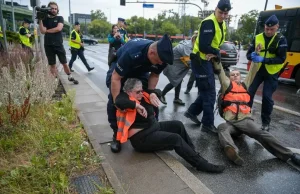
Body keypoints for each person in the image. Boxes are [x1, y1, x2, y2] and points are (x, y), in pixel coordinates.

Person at [208, 52, 300, 167]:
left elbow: (253, 71)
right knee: (222, 128)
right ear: (229, 78)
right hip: (231, 123)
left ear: (240, 77)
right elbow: (220, 72)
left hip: (245, 121)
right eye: (232, 75)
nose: (235, 76)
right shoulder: (227, 84)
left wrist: (256, 57)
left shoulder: (245, 85)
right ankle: (232, 152)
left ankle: (290, 155)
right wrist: (216, 60)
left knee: (261, 134)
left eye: (237, 74)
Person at [115, 78, 225, 173]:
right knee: (175, 139)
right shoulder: (125, 99)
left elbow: (157, 91)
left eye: (141, 91)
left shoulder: (143, 95)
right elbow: (119, 101)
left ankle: (193, 153)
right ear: (129, 92)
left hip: (153, 127)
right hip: (142, 139)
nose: (141, 94)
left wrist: (153, 93)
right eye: (137, 92)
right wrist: (136, 106)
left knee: (178, 125)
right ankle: (200, 164)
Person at [106, 34, 173, 153]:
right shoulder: (132, 52)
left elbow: (155, 75)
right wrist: (118, 102)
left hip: (140, 71)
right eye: (158, 61)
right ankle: (117, 135)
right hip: (121, 69)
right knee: (114, 99)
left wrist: (150, 93)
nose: (160, 64)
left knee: (148, 97)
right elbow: (115, 78)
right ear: (151, 53)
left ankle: (153, 127)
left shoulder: (161, 58)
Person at [184, 0, 231, 133]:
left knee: (206, 91)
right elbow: (204, 46)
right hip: (201, 61)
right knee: (210, 93)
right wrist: (216, 52)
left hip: (206, 61)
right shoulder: (209, 22)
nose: (222, 15)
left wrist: (215, 53)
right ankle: (207, 124)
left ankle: (192, 112)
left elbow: (215, 43)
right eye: (220, 12)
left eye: (225, 13)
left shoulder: (221, 24)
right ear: (215, 9)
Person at [246, 14, 287, 131]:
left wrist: (264, 59)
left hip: (271, 72)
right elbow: (248, 54)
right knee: (249, 93)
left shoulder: (281, 39)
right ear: (264, 27)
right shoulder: (258, 37)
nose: (268, 31)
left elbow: (281, 59)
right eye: (266, 29)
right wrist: (252, 56)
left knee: (267, 97)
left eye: (271, 29)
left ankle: (265, 123)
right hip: (258, 70)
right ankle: (245, 116)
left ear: (277, 27)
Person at [39, 1, 78, 84]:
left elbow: (58, 28)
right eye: (52, 8)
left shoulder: (60, 18)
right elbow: (42, 31)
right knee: (52, 64)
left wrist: (47, 31)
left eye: (55, 9)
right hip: (48, 45)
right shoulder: (45, 19)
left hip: (58, 44)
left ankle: (69, 76)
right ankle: (55, 80)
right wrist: (40, 20)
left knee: (64, 62)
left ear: (57, 10)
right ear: (48, 9)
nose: (54, 10)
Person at [160, 35, 197, 106]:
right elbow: (189, 61)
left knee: (178, 80)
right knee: (175, 81)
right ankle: (162, 94)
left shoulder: (191, 45)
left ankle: (176, 98)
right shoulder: (187, 47)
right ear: (194, 40)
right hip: (173, 65)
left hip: (178, 65)